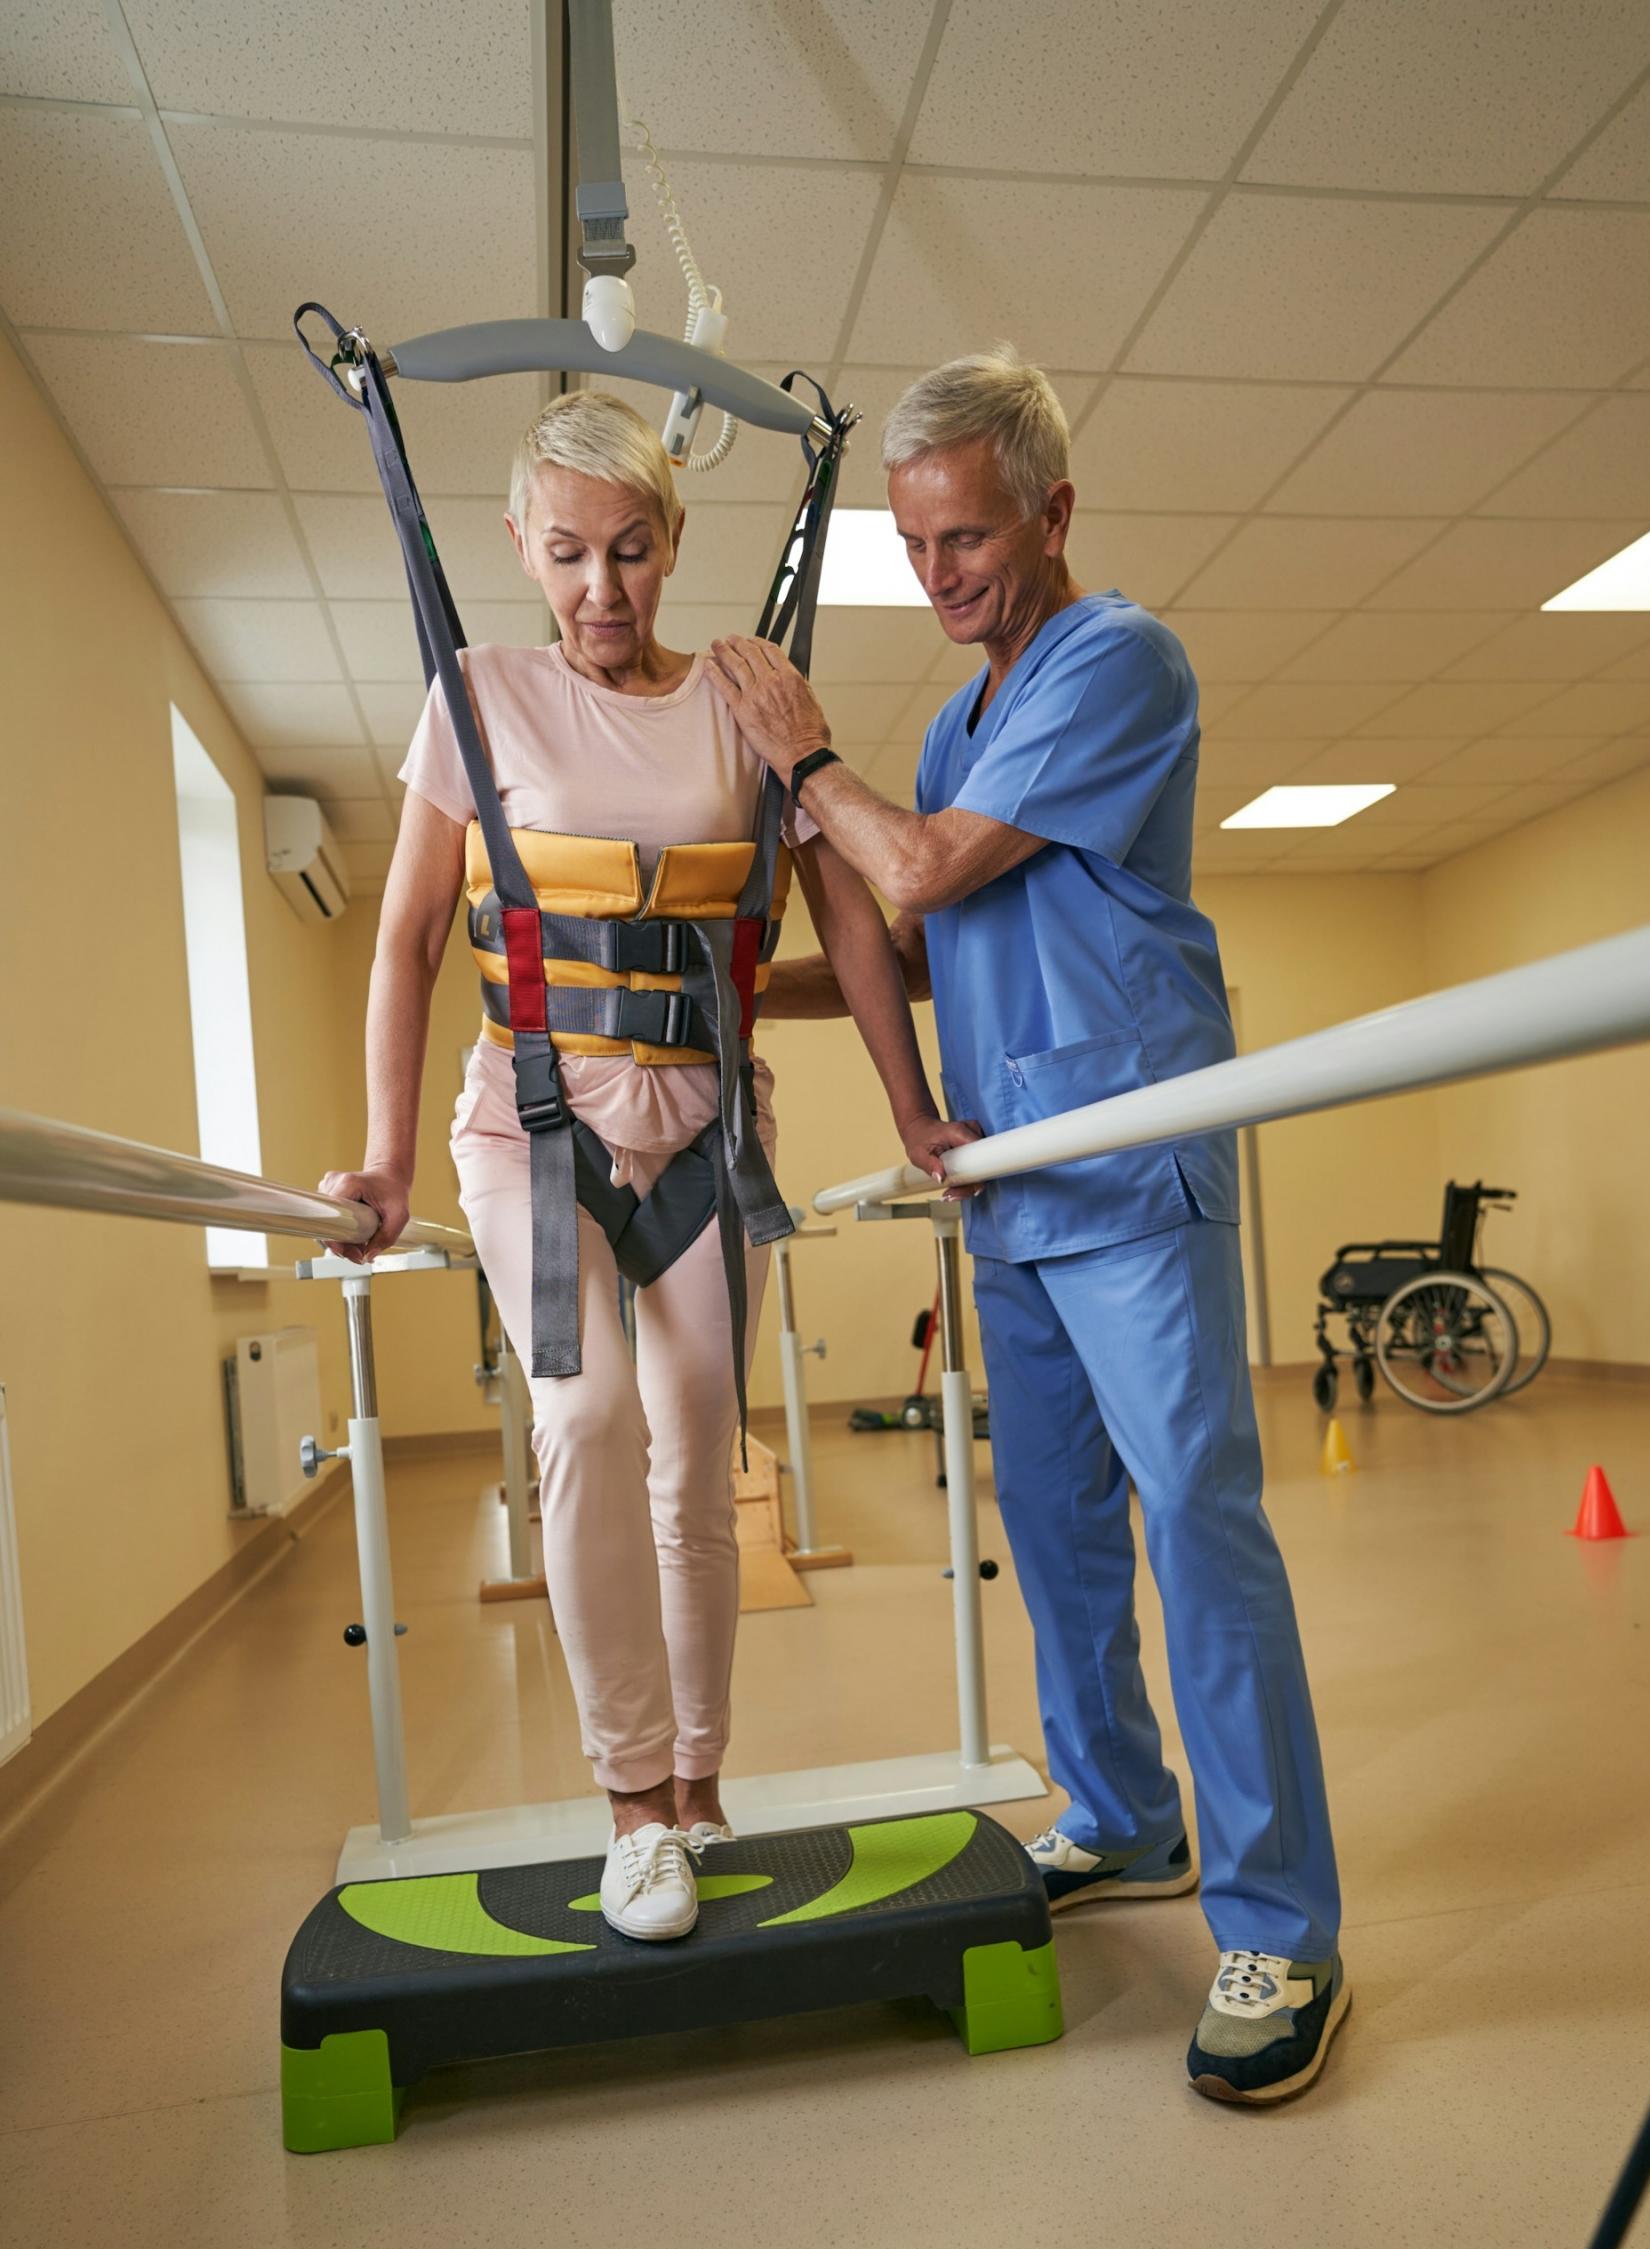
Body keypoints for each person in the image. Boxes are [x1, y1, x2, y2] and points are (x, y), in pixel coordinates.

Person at [710, 349, 1348, 2105]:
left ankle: (1282, 1922)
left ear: (1053, 512)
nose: (940, 580)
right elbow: (912, 940)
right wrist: (721, 996)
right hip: (1010, 1188)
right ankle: (1125, 1814)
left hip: (1131, 1180)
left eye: (968, 541)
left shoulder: (1116, 657)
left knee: (1200, 1533)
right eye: (915, 550)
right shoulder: (952, 726)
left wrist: (805, 757)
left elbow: (911, 869)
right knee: (1054, 1539)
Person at [318, 391, 937, 1944]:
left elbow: (852, 923)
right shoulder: (477, 695)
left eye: (637, 552)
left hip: (708, 1138)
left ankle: (705, 1784)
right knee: (586, 1422)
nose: (605, 590)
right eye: (573, 554)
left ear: (674, 545)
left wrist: (917, 1115)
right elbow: (401, 940)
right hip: (533, 1130)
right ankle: (631, 1807)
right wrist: (386, 1164)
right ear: (524, 548)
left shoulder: (747, 696)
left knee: (699, 1461)